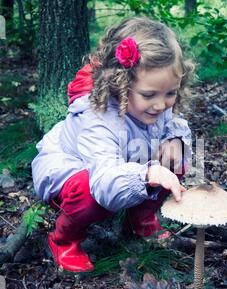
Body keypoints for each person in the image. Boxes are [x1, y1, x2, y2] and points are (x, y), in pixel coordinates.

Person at [32, 17, 193, 273]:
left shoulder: (153, 104)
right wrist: (147, 174)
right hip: (75, 170)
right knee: (89, 193)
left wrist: (175, 142)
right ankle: (64, 239)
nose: (161, 105)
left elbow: (170, 124)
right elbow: (104, 183)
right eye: (149, 95)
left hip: (125, 163)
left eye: (170, 93)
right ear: (121, 85)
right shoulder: (99, 118)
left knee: (175, 157)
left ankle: (139, 218)